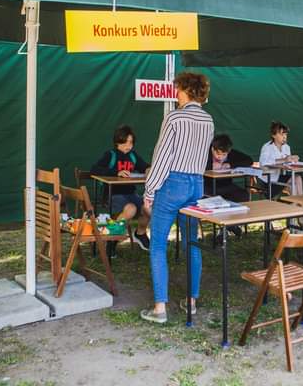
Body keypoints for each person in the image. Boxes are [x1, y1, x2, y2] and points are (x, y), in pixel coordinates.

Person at [140, 72, 214, 324]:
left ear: (186, 90)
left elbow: (162, 157)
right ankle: (191, 300)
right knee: (191, 242)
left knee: (158, 243)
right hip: (196, 184)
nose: (175, 93)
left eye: (178, 88)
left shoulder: (174, 117)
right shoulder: (208, 120)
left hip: (173, 183)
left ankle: (160, 308)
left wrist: (149, 191)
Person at [91, 125, 151, 251]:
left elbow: (144, 166)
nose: (128, 145)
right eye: (125, 142)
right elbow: (94, 169)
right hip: (113, 195)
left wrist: (148, 169)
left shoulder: (133, 156)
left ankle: (140, 234)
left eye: (131, 142)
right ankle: (112, 238)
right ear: (117, 141)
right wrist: (116, 172)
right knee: (131, 209)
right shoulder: (110, 155)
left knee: (148, 208)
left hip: (131, 194)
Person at [258, 121, 303, 197]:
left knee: (297, 178)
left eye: (286, 134)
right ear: (273, 135)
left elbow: (287, 164)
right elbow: (263, 163)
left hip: (278, 177)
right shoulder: (267, 147)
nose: (284, 137)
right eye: (281, 134)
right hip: (267, 181)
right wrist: (284, 160)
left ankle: (301, 203)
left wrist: (293, 160)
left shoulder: (287, 147)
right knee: (293, 184)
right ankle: (297, 203)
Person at [205, 134, 253, 202]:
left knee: (243, 195)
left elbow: (249, 160)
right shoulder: (204, 154)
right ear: (213, 149)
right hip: (208, 185)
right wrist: (210, 167)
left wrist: (229, 165)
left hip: (226, 185)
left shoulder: (230, 153)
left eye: (224, 154)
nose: (220, 157)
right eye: (218, 154)